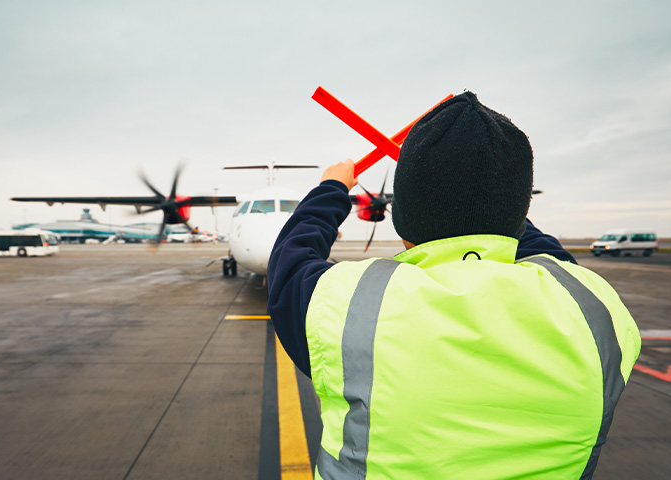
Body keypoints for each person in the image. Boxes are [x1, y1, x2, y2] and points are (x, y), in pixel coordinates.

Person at [267, 92, 641, 479]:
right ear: (518, 209)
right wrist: (488, 196)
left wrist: (331, 187)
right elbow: (546, 251)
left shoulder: (344, 304)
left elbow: (289, 260)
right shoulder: (593, 306)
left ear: (404, 218)